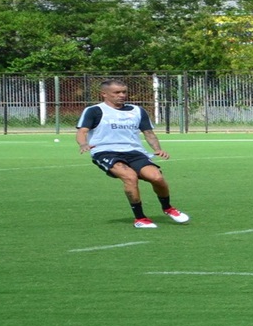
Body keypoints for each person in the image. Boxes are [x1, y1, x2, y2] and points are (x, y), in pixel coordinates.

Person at [76, 79, 190, 229]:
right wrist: (84, 143)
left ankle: (168, 208)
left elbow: (148, 133)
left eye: (124, 92)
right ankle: (140, 218)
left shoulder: (137, 110)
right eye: (117, 92)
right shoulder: (94, 111)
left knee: (157, 177)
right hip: (105, 152)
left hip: (134, 152)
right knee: (130, 177)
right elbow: (82, 131)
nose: (122, 95)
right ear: (104, 94)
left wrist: (158, 148)